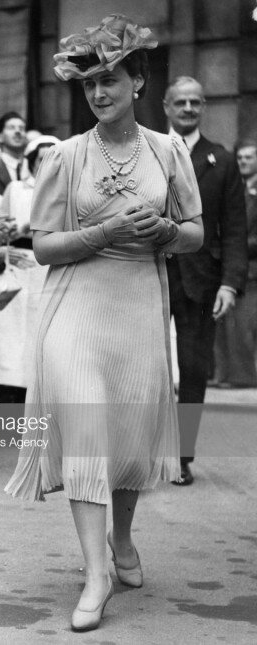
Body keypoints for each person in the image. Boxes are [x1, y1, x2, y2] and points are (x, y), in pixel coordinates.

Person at [5, 14, 203, 633]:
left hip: (137, 308)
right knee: (88, 430)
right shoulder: (64, 156)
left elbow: (195, 233)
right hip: (76, 306)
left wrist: (168, 232)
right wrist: (103, 232)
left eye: (110, 79)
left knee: (124, 433)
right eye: (88, 84)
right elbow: (41, 246)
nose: (98, 93)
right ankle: (96, 574)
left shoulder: (169, 151)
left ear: (139, 81)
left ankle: (122, 541)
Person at [163, 76, 248, 485]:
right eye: (181, 102)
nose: (188, 109)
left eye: (196, 102)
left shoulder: (222, 160)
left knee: (193, 369)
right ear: (166, 106)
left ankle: (181, 458)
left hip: (201, 280)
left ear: (204, 108)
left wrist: (230, 284)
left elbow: (233, 228)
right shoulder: (148, 150)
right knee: (143, 366)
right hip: (151, 274)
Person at [0, 135, 59, 404]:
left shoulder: (64, 191)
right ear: (31, 161)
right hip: (17, 265)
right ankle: (8, 411)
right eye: (41, 159)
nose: (46, 164)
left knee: (40, 338)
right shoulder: (16, 189)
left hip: (47, 265)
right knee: (10, 339)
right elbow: (0, 229)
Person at [213, 140, 257, 387]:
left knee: (242, 324)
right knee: (222, 322)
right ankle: (221, 374)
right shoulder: (233, 189)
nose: (243, 162)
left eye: (249, 158)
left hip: (251, 270)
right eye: (239, 158)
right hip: (228, 267)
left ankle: (243, 377)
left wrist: (234, 244)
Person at [0, 111, 27, 194]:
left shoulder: (30, 166)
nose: (18, 132)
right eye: (11, 128)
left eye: (21, 128)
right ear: (0, 137)